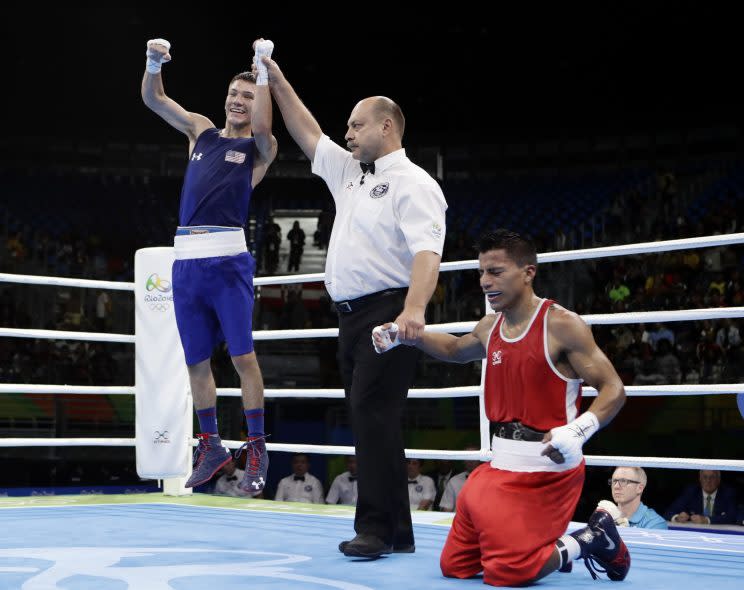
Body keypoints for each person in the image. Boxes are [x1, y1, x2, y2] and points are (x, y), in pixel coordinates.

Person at [262, 49, 447, 558]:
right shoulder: (350, 173)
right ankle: (398, 533)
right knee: (372, 417)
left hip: (388, 311)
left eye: (356, 125)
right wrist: (276, 77)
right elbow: (307, 131)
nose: (347, 133)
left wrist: (414, 310)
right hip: (349, 317)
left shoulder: (414, 183)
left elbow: (427, 252)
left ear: (386, 127)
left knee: (373, 414)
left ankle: (376, 529)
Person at [373, 230, 629, 585]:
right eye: (481, 272)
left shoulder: (560, 325)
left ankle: (593, 538)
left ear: (528, 272)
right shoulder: (490, 326)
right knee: (455, 567)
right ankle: (537, 547)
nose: (484, 281)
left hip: (547, 470)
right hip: (499, 466)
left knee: (509, 572)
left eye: (495, 271)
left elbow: (614, 388)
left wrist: (579, 430)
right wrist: (402, 335)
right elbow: (452, 349)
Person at [141, 38, 277, 494]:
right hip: (187, 263)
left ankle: (256, 445)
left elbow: (262, 123)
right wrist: (154, 62)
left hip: (228, 261)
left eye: (248, 96)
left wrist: (262, 71)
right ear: (225, 98)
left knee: (243, 357)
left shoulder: (262, 145)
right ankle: (211, 444)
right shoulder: (201, 131)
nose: (239, 102)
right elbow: (153, 99)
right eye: (234, 94)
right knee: (197, 362)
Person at [664, 469, 738, 524]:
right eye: (705, 477)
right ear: (700, 479)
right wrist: (677, 518)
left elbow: (733, 516)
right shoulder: (691, 492)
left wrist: (707, 520)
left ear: (718, 479)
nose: (708, 480)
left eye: (712, 477)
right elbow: (669, 512)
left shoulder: (728, 493)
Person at [438, 446, 481, 513]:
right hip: (458, 522)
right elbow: (447, 509)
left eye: (474, 457)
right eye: (467, 457)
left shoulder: (490, 480)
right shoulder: (454, 481)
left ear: (480, 459)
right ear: (463, 460)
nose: (470, 461)